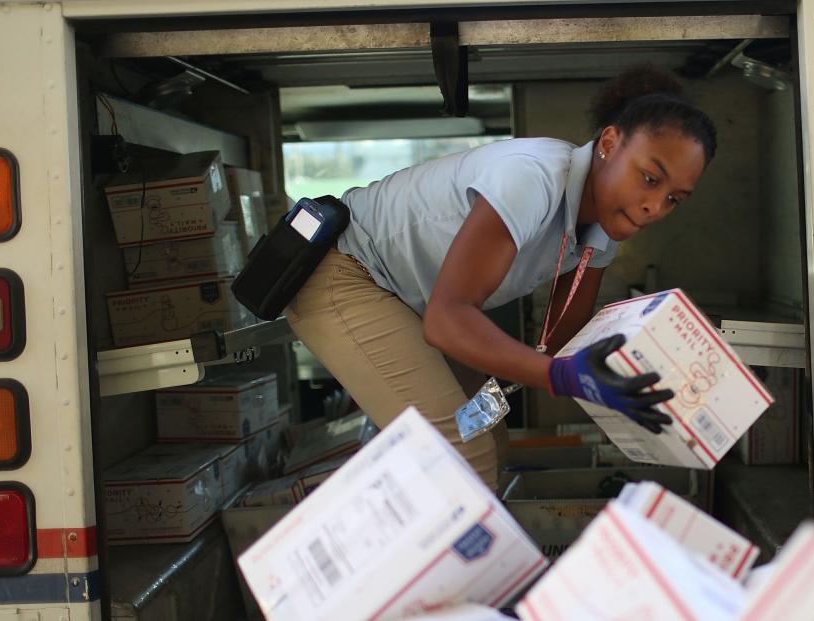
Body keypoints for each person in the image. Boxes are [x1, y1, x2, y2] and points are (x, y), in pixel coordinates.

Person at [285, 65, 718, 490]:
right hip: (345, 273)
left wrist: (649, 378)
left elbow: (564, 341)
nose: (654, 208)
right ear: (609, 143)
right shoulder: (533, 177)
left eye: (674, 199)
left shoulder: (603, 229)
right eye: (649, 178)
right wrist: (563, 377)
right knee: (460, 456)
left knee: (489, 434)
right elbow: (448, 320)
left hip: (406, 303)